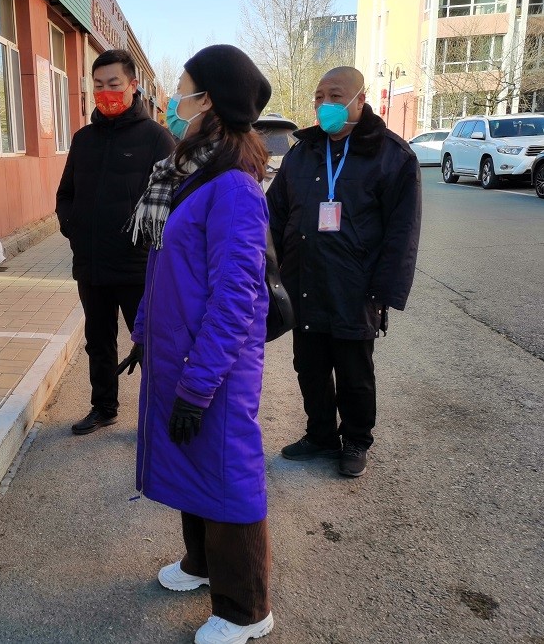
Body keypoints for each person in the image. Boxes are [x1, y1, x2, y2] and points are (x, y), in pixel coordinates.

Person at [129, 45, 275, 644]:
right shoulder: (194, 172)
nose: (174, 99)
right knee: (191, 462)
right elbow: (165, 263)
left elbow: (236, 297)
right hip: (181, 355)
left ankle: (246, 610)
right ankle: (202, 563)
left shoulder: (234, 187)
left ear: (208, 99)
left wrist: (197, 381)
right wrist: (144, 330)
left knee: (227, 475)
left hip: (213, 365)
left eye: (183, 87)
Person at [266, 66, 421, 478]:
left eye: (335, 96)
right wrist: (268, 270)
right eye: (319, 97)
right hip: (304, 281)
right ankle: (320, 434)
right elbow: (274, 213)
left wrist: (385, 291)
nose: (325, 105)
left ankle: (355, 439)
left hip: (356, 288)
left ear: (359, 100)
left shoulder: (392, 155)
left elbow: (403, 231)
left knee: (354, 372)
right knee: (309, 367)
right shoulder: (303, 152)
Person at [56, 49, 175, 436]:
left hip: (137, 267)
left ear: (133, 86)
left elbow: (172, 201)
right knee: (98, 342)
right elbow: (66, 194)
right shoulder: (83, 139)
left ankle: (157, 416)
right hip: (91, 265)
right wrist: (73, 227)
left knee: (151, 344)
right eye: (98, 85)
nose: (106, 92)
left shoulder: (157, 139)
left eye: (114, 84)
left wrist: (146, 244)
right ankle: (103, 407)